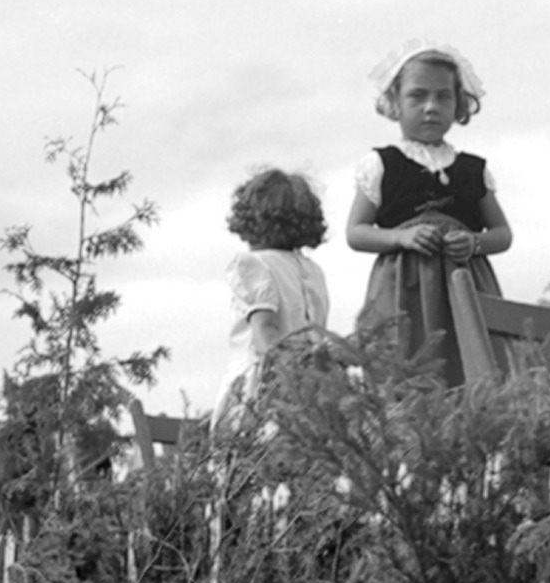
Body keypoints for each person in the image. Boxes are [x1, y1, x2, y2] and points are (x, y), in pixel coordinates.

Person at [347, 40, 512, 387]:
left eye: (443, 97)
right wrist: (399, 237)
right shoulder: (382, 164)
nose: (431, 107)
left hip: (464, 286)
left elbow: (502, 234)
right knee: (403, 370)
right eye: (417, 96)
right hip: (401, 288)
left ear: (459, 105)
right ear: (394, 102)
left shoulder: (472, 169)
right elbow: (357, 231)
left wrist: (473, 242)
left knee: (473, 369)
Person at [212, 169, 331, 429]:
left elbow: (265, 330)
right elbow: (318, 333)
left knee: (253, 456)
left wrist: (288, 373)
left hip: (265, 383)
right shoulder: (312, 271)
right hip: (310, 383)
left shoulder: (255, 266)